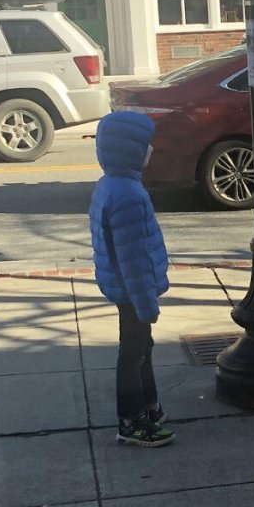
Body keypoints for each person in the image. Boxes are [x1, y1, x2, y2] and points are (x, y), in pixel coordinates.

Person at [89, 111, 174, 448]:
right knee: (134, 352)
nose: (151, 148)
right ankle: (132, 420)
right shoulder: (128, 195)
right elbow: (133, 259)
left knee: (141, 347)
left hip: (125, 289)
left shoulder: (112, 184)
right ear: (131, 150)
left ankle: (149, 406)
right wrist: (146, 303)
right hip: (133, 291)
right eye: (145, 143)